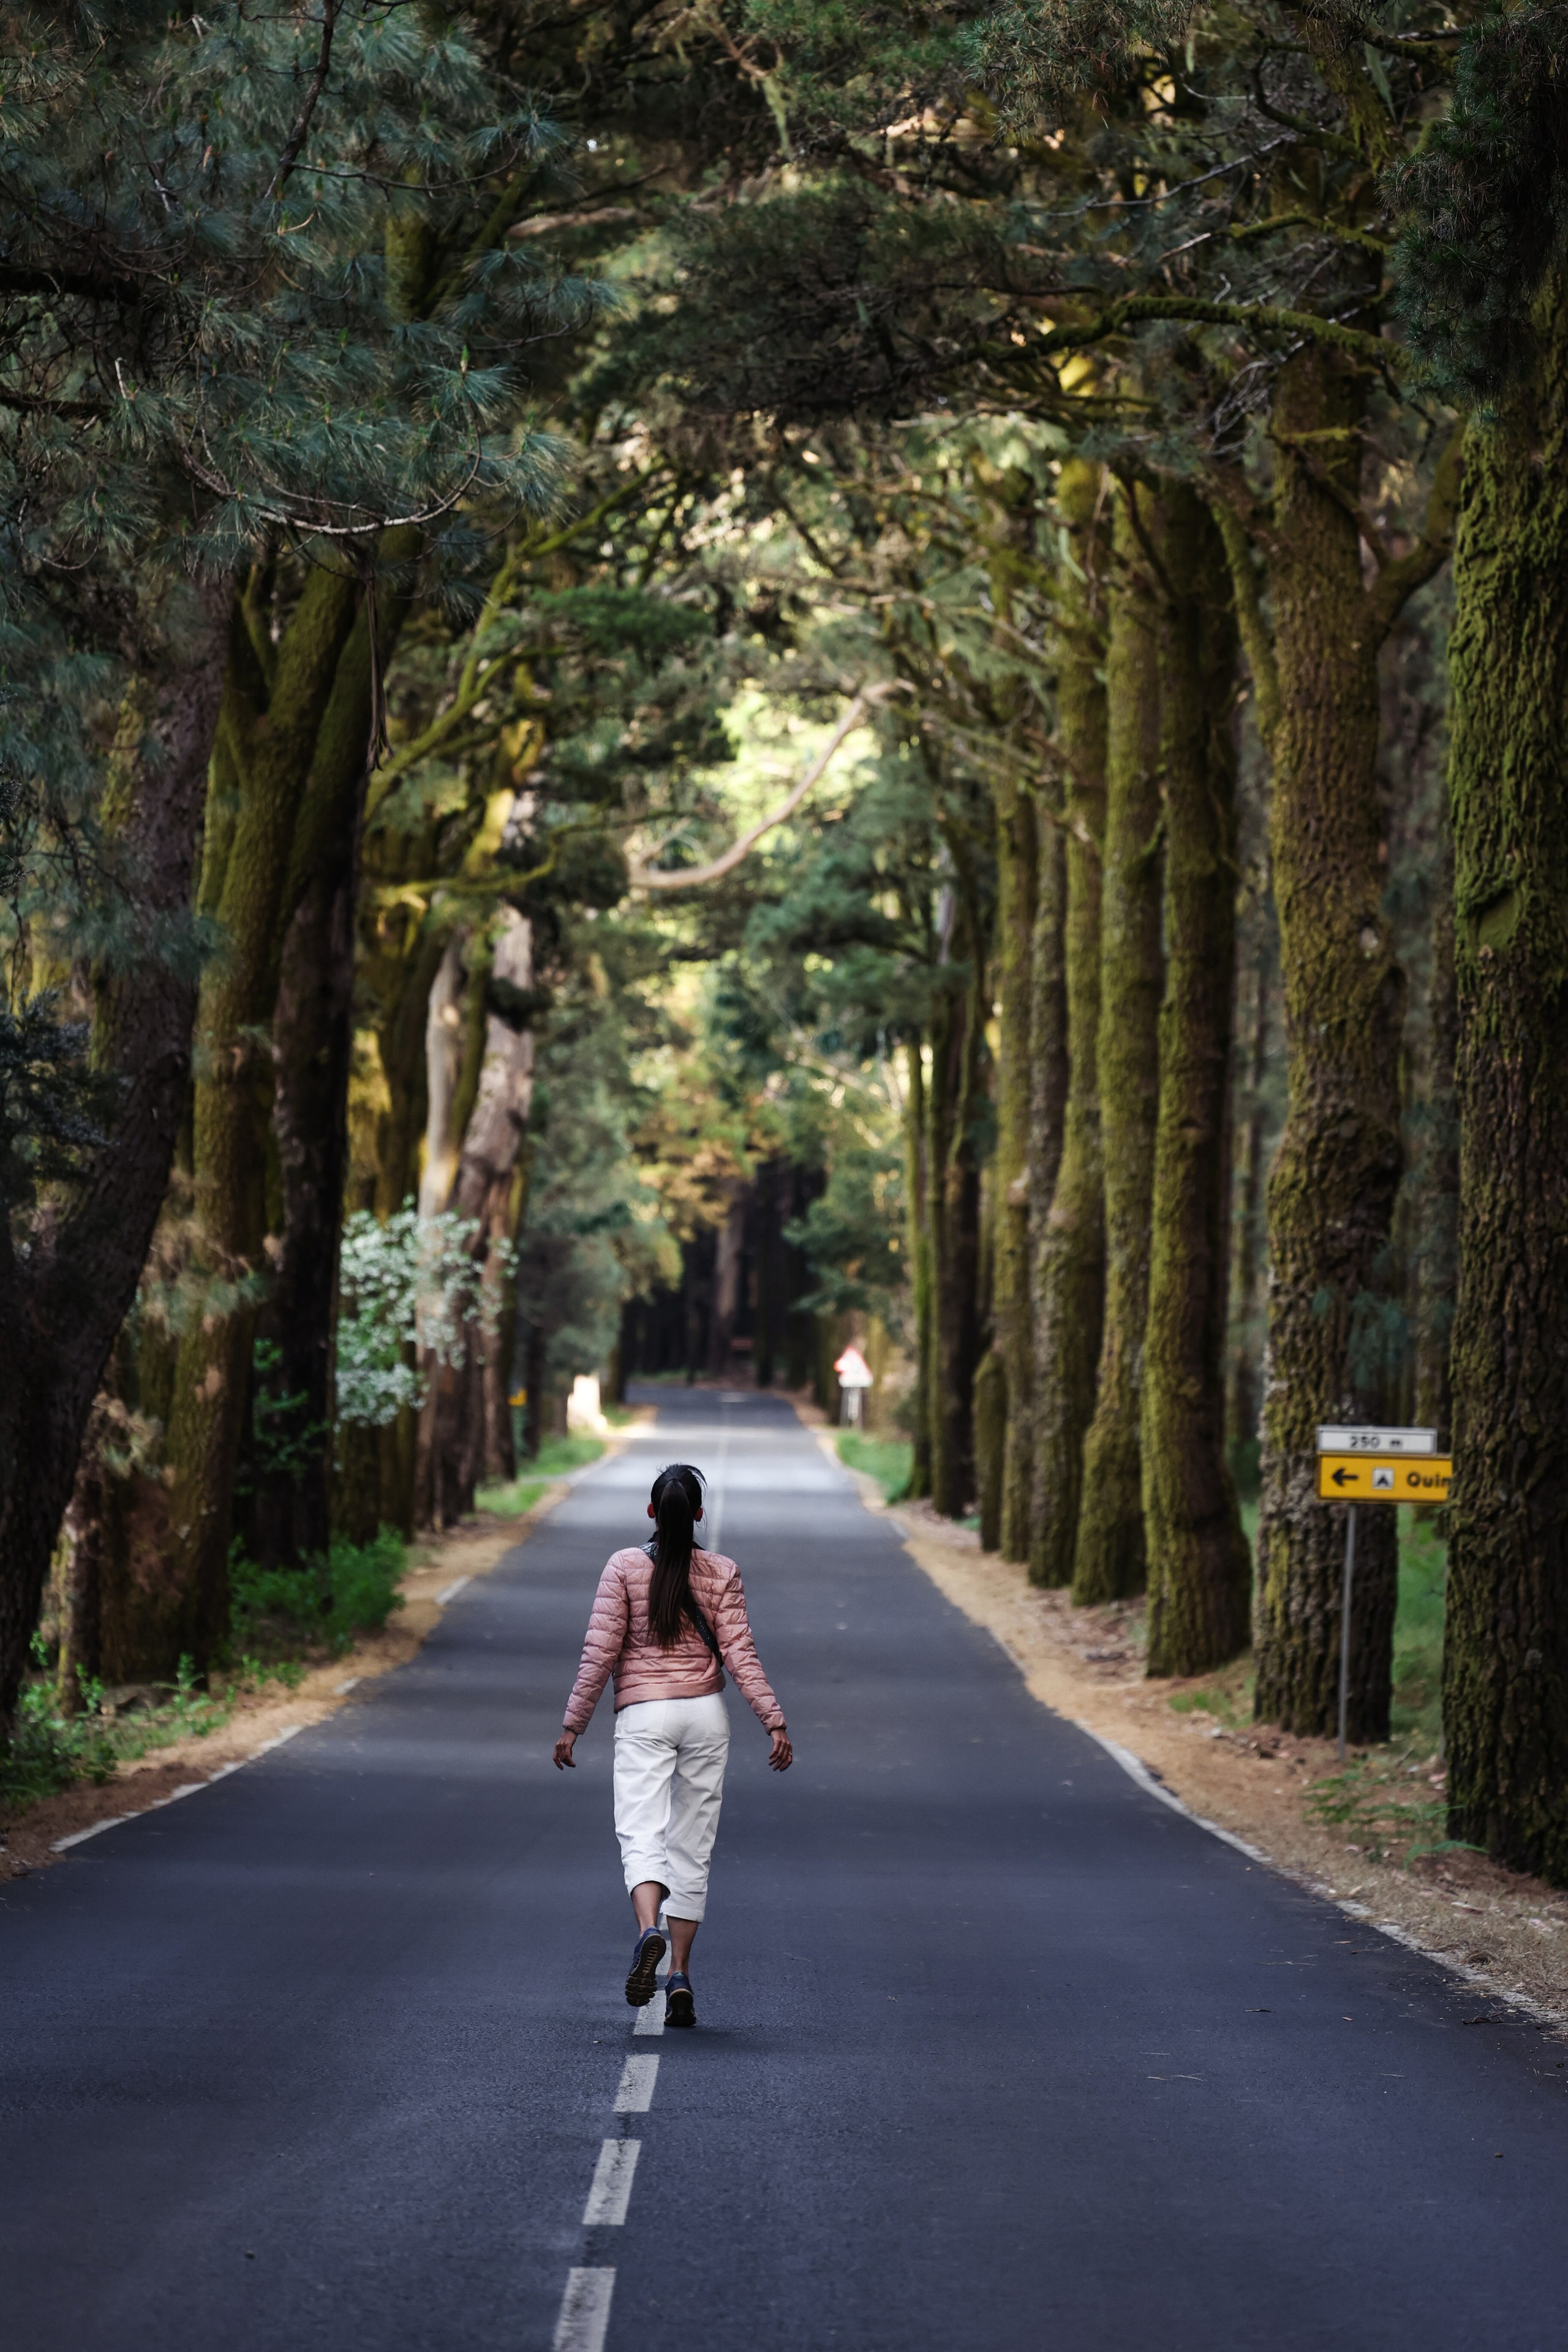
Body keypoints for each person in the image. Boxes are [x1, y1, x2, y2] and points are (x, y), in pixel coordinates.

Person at [554, 1460, 791, 2027]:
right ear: (700, 1516)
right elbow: (740, 1655)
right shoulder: (723, 1571)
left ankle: (648, 1933)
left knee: (642, 1831)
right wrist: (773, 1720)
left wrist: (573, 1724)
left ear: (651, 1513)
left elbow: (600, 1655)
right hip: (706, 1716)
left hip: (644, 1715)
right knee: (693, 1844)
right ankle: (680, 1976)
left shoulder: (622, 1567)